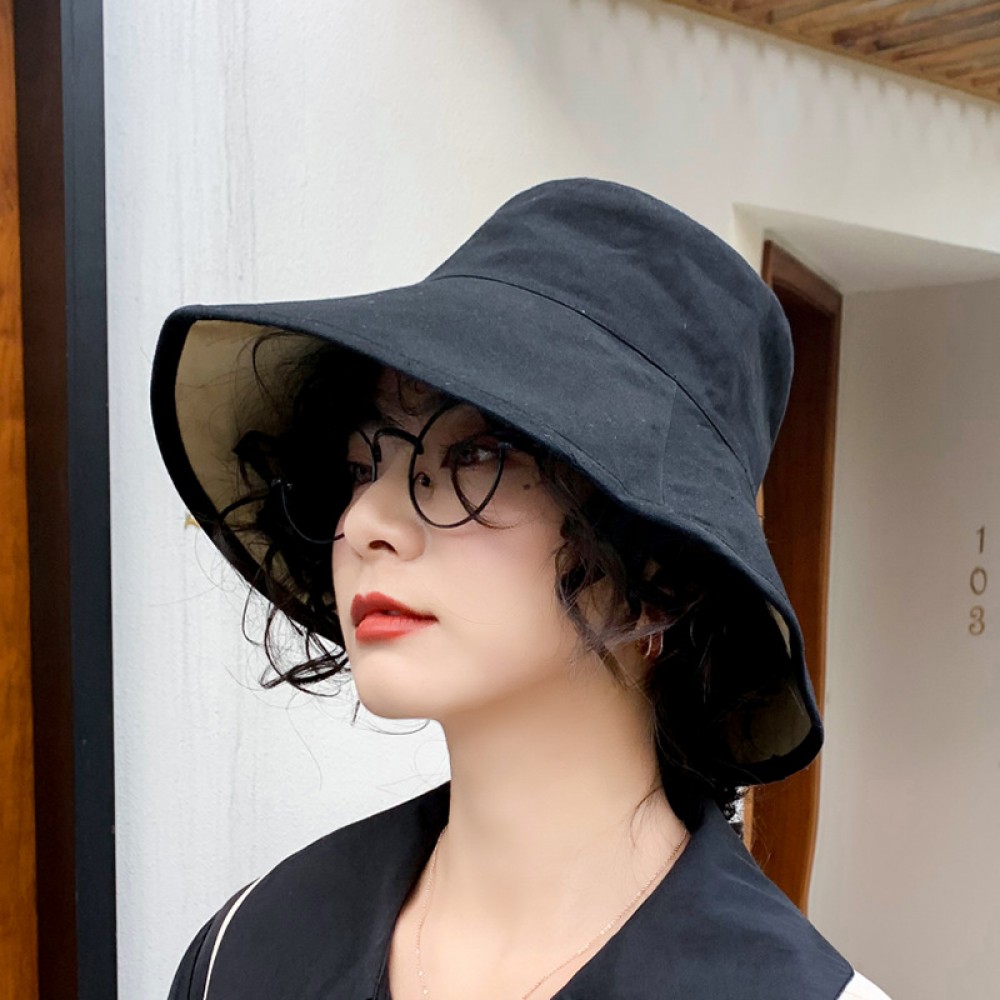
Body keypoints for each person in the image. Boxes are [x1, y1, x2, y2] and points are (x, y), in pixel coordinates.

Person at [151, 178, 890, 999]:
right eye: (362, 467)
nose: (364, 522)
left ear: (661, 568)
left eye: (475, 457)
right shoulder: (248, 951)